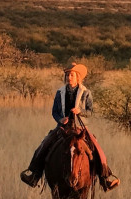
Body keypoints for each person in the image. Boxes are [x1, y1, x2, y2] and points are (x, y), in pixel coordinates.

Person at [19, 62, 120, 190]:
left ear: (78, 77)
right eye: (67, 75)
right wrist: (61, 119)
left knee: (96, 147)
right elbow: (54, 112)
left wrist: (80, 112)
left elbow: (90, 111)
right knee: (44, 144)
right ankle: (34, 175)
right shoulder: (59, 92)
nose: (69, 77)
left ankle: (104, 178)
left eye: (71, 75)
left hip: (80, 128)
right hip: (63, 128)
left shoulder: (86, 92)